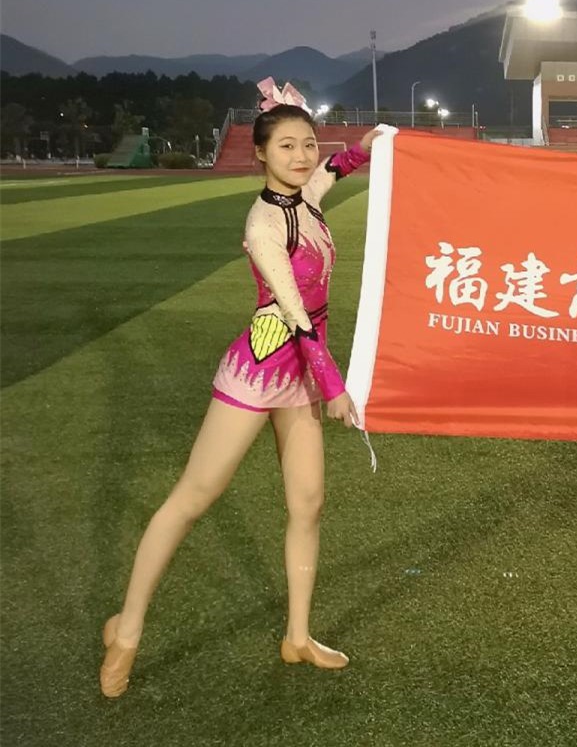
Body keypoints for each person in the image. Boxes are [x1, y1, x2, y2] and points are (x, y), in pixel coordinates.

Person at [99, 101, 387, 698]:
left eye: (307, 144)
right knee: (192, 498)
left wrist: (367, 145)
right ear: (260, 152)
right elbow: (295, 316)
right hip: (261, 369)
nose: (302, 156)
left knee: (307, 504)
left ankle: (298, 637)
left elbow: (336, 169)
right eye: (286, 146)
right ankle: (127, 631)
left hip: (301, 375)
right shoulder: (264, 225)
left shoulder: (307, 198)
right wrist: (334, 387)